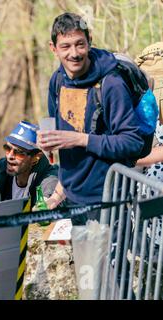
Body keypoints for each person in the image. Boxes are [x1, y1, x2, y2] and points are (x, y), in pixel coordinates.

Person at [37, 12, 144, 226]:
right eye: (66, 46)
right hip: (73, 195)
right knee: (84, 260)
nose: (74, 54)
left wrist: (80, 139)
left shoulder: (111, 83)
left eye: (80, 44)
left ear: (90, 41)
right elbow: (56, 129)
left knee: (110, 261)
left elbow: (133, 142)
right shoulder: (57, 80)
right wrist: (43, 141)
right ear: (53, 48)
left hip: (108, 199)